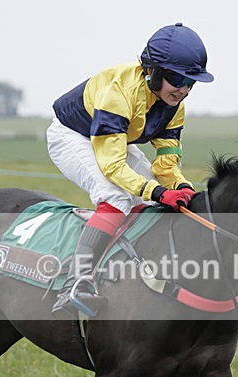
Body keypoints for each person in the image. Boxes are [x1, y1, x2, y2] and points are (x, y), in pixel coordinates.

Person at [46, 23, 214, 317]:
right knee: (116, 197)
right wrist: (157, 191)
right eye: (177, 79)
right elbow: (112, 165)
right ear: (153, 72)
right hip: (72, 136)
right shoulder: (119, 93)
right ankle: (74, 283)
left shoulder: (175, 105)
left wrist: (180, 186)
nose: (184, 89)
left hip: (113, 138)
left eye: (191, 82)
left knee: (151, 199)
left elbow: (166, 162)